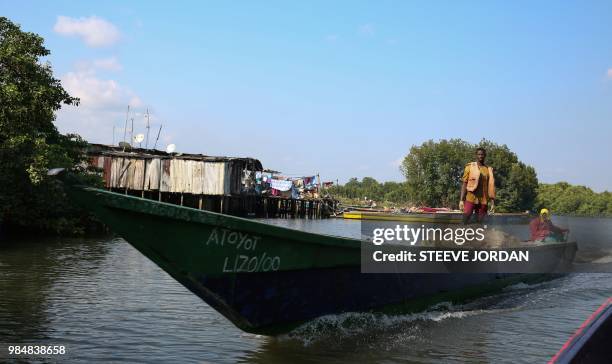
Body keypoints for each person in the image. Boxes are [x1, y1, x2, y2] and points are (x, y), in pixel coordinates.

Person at [459, 147, 495, 224]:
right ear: (476, 155)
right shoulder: (469, 167)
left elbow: (491, 187)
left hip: (483, 200)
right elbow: (464, 183)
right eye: (479, 154)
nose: (481, 156)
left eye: (482, 154)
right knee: (466, 217)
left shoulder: (488, 169)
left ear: (485, 156)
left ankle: (479, 234)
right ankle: (462, 233)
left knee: (481, 221)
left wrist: (492, 202)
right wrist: (461, 200)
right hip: (470, 198)